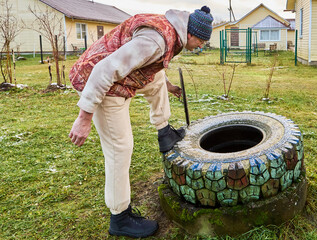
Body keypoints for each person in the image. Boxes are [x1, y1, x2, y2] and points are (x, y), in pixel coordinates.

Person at [68, 6, 213, 238]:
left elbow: (152, 67)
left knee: (157, 79)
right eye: (202, 41)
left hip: (117, 76)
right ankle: (120, 218)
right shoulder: (155, 41)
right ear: (190, 33)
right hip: (101, 85)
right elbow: (104, 69)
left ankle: (164, 132)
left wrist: (168, 86)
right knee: (120, 148)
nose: (202, 46)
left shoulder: (170, 33)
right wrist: (84, 117)